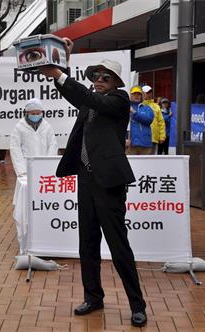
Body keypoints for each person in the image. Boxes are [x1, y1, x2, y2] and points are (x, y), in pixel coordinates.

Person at [38, 38, 147, 327]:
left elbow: (89, 98)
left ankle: (137, 305)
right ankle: (93, 297)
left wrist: (61, 73)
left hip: (109, 183)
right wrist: (62, 64)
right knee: (87, 243)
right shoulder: (91, 101)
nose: (98, 80)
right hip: (85, 179)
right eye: (95, 77)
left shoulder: (120, 100)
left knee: (118, 245)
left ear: (115, 82)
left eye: (105, 77)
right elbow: (79, 97)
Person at [9, 98, 58, 177]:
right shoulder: (19, 127)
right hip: (26, 168)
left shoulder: (47, 127)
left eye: (38, 113)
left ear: (41, 113)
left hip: (44, 168)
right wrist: (22, 170)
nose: (35, 115)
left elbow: (53, 146)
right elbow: (15, 148)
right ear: (27, 113)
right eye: (33, 113)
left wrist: (48, 165)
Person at [128, 86, 154, 155]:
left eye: (138, 94)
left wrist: (134, 113)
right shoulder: (125, 107)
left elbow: (149, 119)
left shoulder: (147, 108)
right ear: (130, 95)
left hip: (145, 143)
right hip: (130, 144)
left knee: (146, 165)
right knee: (130, 165)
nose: (136, 96)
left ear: (141, 96)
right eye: (134, 94)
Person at [141, 85, 165, 153]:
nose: (149, 94)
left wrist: (162, 136)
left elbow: (161, 122)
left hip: (153, 138)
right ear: (142, 94)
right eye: (147, 92)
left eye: (150, 92)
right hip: (142, 137)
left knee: (151, 158)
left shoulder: (156, 106)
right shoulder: (139, 105)